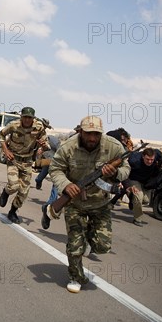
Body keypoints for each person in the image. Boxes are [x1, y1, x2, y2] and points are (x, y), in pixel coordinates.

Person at [48, 116, 130, 293]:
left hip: (101, 203)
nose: (92, 138)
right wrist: (66, 185)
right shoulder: (68, 147)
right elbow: (55, 169)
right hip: (75, 202)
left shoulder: (113, 146)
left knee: (103, 246)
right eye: (88, 134)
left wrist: (115, 173)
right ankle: (75, 276)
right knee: (75, 244)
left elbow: (126, 169)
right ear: (81, 131)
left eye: (96, 134)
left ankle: (86, 244)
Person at [0, 107, 49, 224]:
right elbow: (1, 135)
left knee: (24, 192)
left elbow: (46, 145)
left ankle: (12, 211)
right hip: (13, 159)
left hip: (27, 162)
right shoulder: (14, 125)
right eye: (25, 117)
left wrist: (43, 145)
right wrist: (6, 151)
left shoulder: (38, 127)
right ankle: (6, 192)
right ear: (21, 117)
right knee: (14, 185)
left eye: (29, 118)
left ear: (33, 118)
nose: (27, 120)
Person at [123, 148, 162, 227]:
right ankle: (137, 219)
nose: (149, 162)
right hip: (134, 179)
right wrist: (127, 186)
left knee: (146, 201)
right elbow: (124, 172)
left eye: (152, 160)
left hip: (146, 181)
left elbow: (160, 156)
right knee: (139, 197)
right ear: (143, 156)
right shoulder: (134, 161)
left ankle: (132, 199)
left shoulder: (157, 155)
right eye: (147, 159)